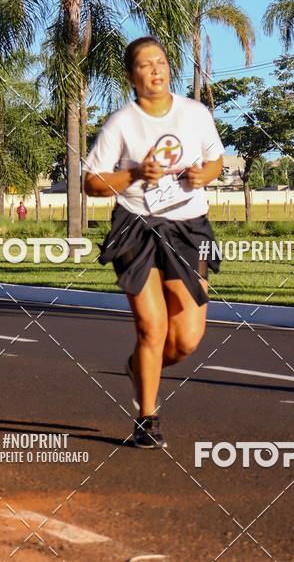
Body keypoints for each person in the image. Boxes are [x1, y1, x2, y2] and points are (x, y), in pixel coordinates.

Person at [83, 36, 224, 449]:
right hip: (135, 227)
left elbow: (215, 157)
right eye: (145, 65)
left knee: (186, 338)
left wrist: (206, 175)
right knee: (152, 326)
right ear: (132, 76)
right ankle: (147, 417)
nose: (156, 70)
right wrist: (134, 175)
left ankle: (138, 366)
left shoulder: (195, 114)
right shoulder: (121, 123)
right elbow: (91, 181)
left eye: (160, 62)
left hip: (189, 228)